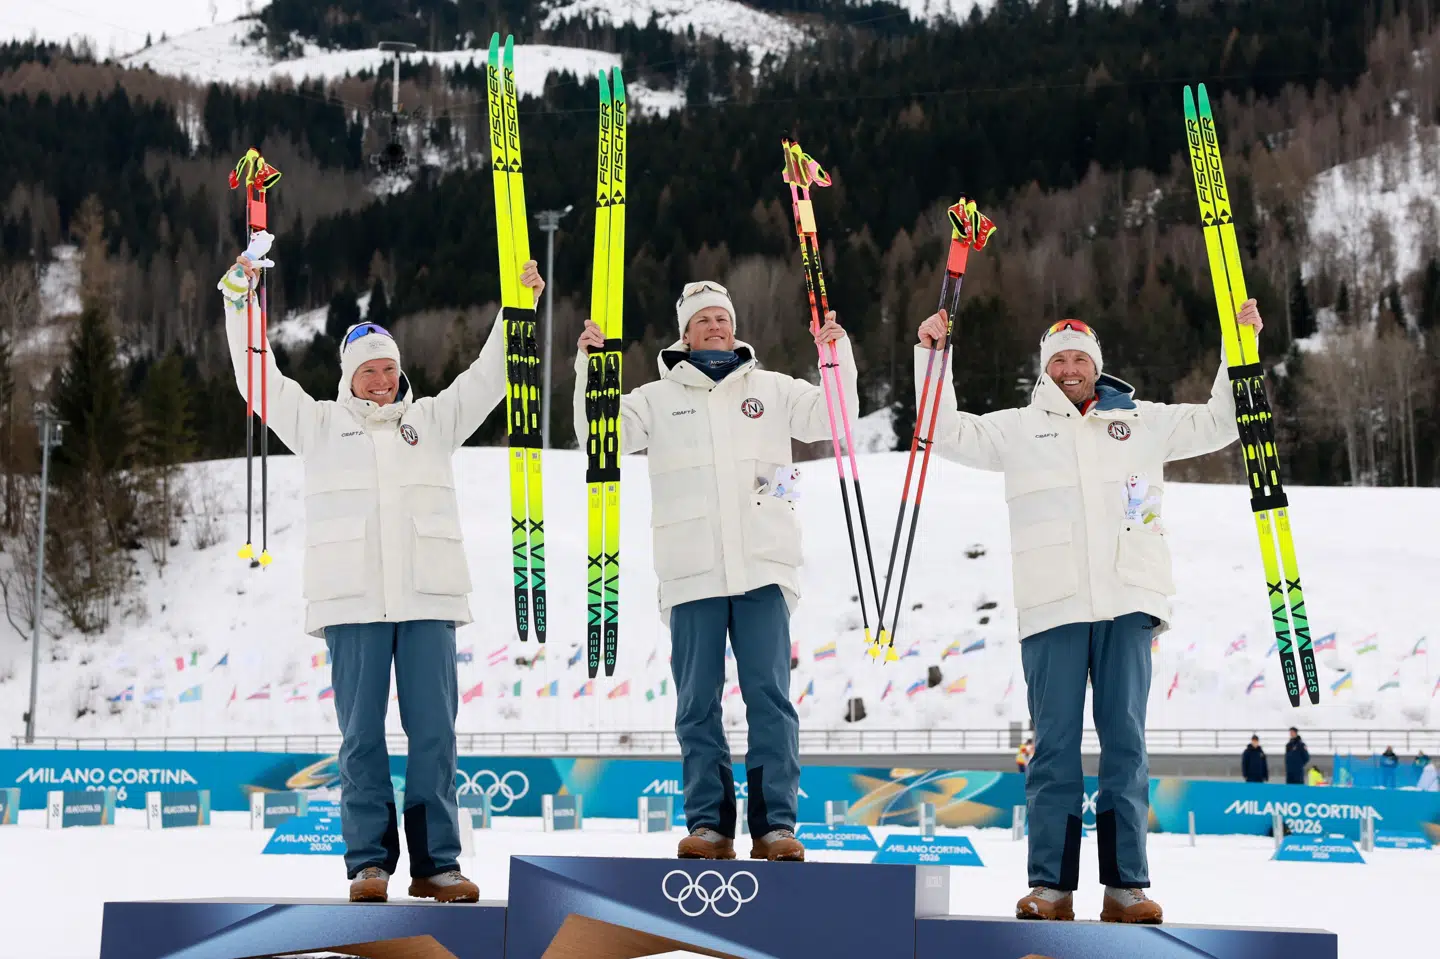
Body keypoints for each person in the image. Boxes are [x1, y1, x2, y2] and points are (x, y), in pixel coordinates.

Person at [218, 233, 546, 903]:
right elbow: (258, 379)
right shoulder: (315, 424)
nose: (382, 378)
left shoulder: (431, 420)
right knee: (360, 739)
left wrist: (520, 306)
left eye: (390, 368)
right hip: (351, 604)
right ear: (348, 376)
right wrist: (239, 300)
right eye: (369, 370)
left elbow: (491, 375)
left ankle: (435, 863)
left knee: (435, 735)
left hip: (428, 599)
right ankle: (368, 863)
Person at [914, 301, 1266, 925]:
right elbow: (943, 431)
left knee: (1125, 745)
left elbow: (1222, 421)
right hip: (1052, 608)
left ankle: (1126, 887)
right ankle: (1050, 888)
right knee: (1053, 749)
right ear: (1044, 371)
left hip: (1130, 600)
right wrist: (933, 357)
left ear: (1096, 366)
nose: (1070, 368)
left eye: (1080, 358)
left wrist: (1239, 345)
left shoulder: (1144, 422)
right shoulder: (1018, 430)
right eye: (1059, 360)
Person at [574, 280, 855, 863]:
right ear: (685, 333)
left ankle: (776, 824)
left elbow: (837, 417)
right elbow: (598, 437)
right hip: (692, 573)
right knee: (696, 704)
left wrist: (836, 353)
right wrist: (590, 369)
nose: (715, 328)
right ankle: (709, 825)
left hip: (763, 569)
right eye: (702, 321)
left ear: (734, 326)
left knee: (770, 701)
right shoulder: (654, 398)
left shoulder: (772, 389)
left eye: (722, 319)